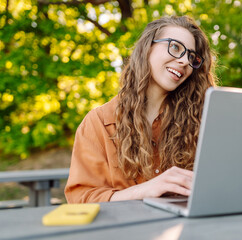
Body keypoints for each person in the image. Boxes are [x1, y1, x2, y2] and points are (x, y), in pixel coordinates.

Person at [64, 15, 217, 203]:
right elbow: (81, 199)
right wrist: (147, 190)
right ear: (147, 48)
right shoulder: (99, 123)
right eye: (175, 47)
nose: (185, 61)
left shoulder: (201, 121)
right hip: (123, 231)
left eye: (191, 56)